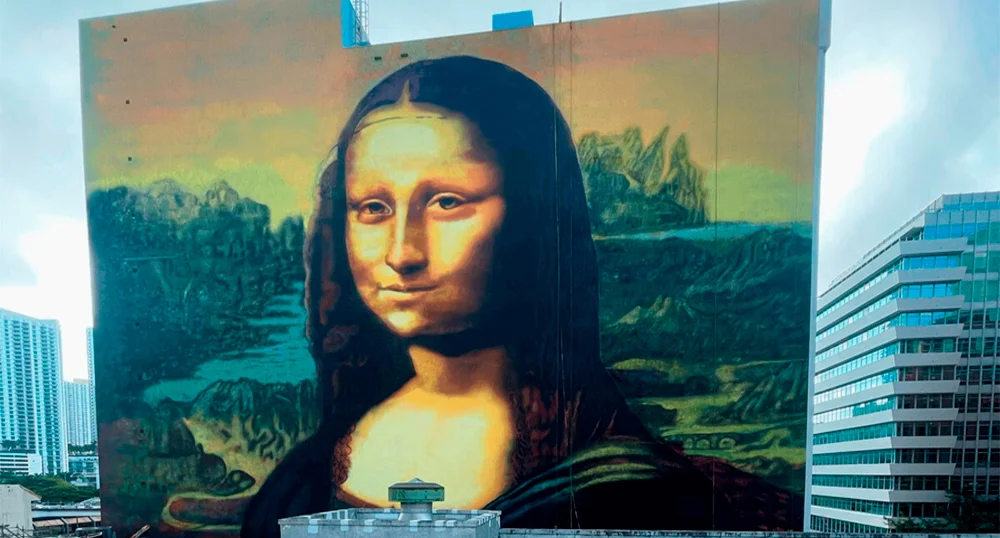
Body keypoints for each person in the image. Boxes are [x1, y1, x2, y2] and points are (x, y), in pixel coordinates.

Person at [240, 55, 781, 538]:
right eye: (373, 208)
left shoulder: (631, 492)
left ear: (530, 215)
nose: (402, 252)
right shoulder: (307, 477)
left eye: (446, 202)